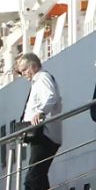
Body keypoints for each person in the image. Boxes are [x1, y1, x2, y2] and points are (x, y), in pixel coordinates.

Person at [16, 53, 62, 190]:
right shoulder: (37, 81)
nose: (23, 74)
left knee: (33, 178)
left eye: (24, 69)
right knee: (38, 176)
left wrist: (41, 111)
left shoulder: (42, 77)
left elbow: (51, 96)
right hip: (41, 135)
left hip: (45, 135)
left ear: (33, 66)